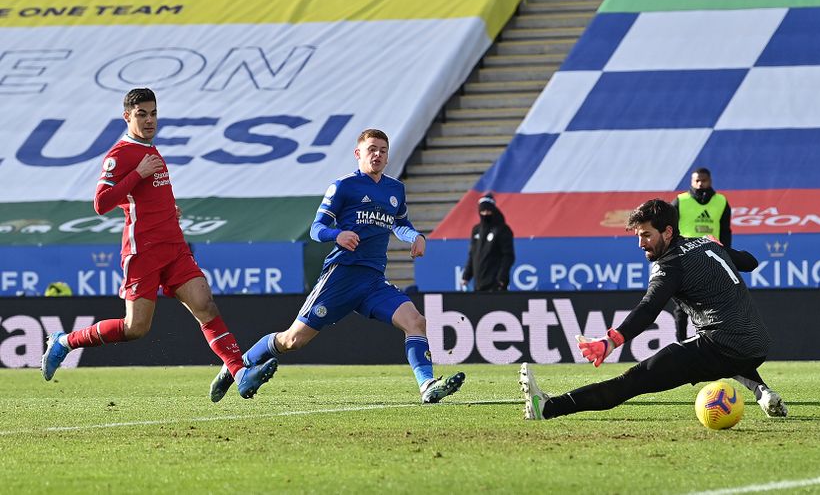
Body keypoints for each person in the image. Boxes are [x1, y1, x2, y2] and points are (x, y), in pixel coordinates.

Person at [40, 88, 277, 401]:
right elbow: (101, 203)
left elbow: (145, 198)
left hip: (174, 246)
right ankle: (64, 342)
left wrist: (169, 209)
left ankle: (240, 372)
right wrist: (137, 174)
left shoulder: (150, 148)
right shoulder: (120, 155)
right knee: (135, 328)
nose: (149, 120)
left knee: (205, 305)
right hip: (143, 252)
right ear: (127, 117)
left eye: (153, 113)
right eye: (141, 114)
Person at [209, 128, 465, 403]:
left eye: (382, 150)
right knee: (293, 340)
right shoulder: (344, 186)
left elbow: (400, 224)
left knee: (415, 321)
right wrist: (337, 235)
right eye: (371, 149)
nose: (377, 154)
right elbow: (316, 228)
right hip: (341, 276)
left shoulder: (395, 189)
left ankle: (427, 386)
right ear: (358, 154)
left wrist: (415, 236)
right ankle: (237, 365)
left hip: (373, 280)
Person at [519, 199, 787, 421]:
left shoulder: (670, 265)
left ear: (668, 232)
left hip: (723, 344)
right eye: (638, 235)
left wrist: (612, 341)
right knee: (726, 356)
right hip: (757, 344)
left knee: (631, 382)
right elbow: (750, 262)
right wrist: (720, 246)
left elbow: (649, 309)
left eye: (647, 235)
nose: (641, 243)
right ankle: (762, 391)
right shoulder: (702, 243)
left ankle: (547, 408)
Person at [670, 167, 732, 342]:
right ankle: (680, 342)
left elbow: (726, 231)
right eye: (696, 180)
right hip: (685, 258)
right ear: (691, 181)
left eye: (703, 180)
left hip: (712, 257)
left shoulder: (721, 201)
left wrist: (727, 254)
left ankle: (716, 340)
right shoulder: (680, 200)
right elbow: (670, 228)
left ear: (709, 181)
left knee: (714, 301)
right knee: (682, 305)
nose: (700, 184)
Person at [461, 193, 515, 292]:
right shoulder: (476, 230)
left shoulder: (502, 229)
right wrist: (466, 276)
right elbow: (473, 255)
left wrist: (501, 278)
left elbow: (508, 256)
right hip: (479, 284)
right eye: (483, 211)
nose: (485, 214)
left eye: (488, 211)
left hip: (495, 284)